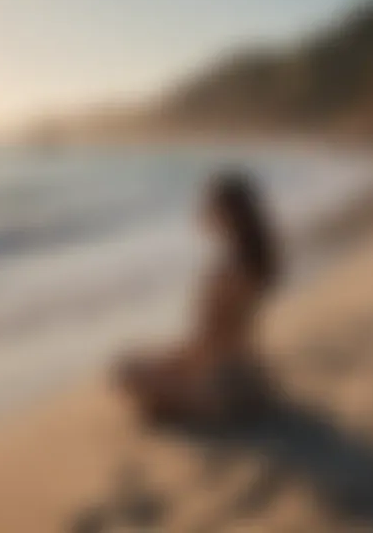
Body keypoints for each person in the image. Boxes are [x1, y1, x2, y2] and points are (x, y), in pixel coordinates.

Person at [116, 171, 280, 425]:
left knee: (127, 371)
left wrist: (169, 365)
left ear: (227, 214)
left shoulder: (229, 272)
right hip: (248, 372)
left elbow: (208, 343)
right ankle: (179, 399)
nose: (203, 209)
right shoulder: (253, 262)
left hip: (221, 382)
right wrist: (168, 361)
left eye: (210, 204)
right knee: (146, 367)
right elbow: (222, 335)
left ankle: (189, 403)